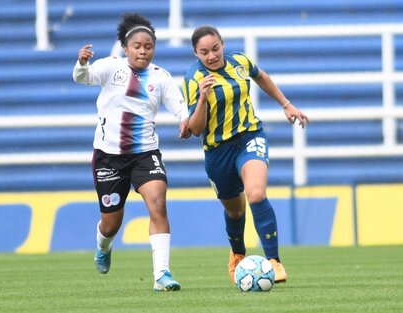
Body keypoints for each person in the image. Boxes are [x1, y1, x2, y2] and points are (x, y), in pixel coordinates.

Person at [182, 25, 309, 285]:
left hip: (250, 136)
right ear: (196, 53)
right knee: (235, 212)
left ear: (223, 44)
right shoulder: (193, 79)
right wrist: (203, 99)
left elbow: (260, 76)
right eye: (204, 52)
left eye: (215, 49)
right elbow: (195, 130)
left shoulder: (239, 61)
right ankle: (238, 254)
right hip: (218, 151)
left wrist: (286, 104)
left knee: (256, 194)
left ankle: (274, 261)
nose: (211, 56)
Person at [73, 13, 190, 291]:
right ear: (126, 48)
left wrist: (185, 121)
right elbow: (82, 78)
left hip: (144, 154)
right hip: (108, 156)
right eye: (137, 46)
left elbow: (181, 109)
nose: (142, 51)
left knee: (158, 203)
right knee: (111, 224)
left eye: (148, 46)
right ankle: (104, 245)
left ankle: (162, 275)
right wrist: (81, 63)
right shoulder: (110, 67)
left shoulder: (161, 77)